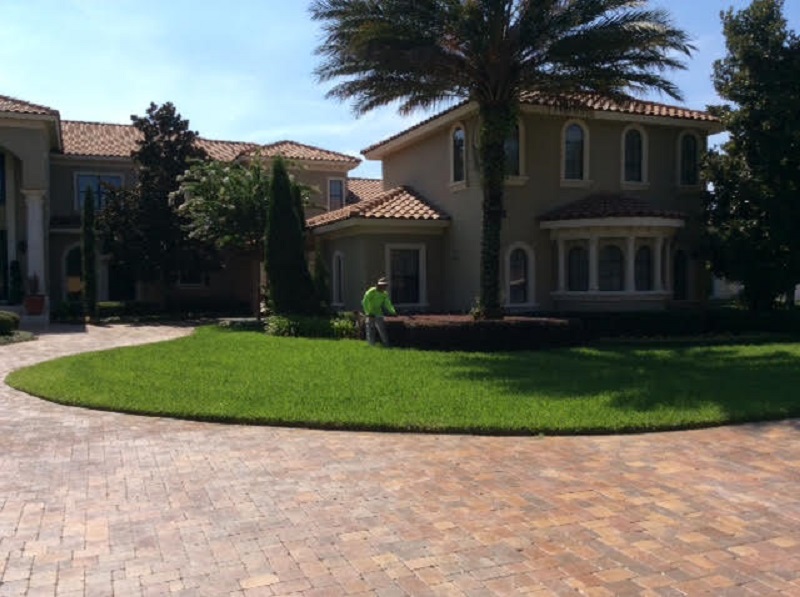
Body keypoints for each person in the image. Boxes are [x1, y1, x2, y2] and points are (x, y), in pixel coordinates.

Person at [361, 277, 396, 346]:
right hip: (370, 313)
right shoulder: (371, 291)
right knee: (370, 329)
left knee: (382, 329)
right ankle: (371, 344)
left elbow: (387, 304)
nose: (383, 287)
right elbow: (365, 301)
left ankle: (386, 344)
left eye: (385, 285)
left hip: (378, 313)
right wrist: (368, 312)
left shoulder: (384, 294)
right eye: (382, 285)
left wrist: (393, 312)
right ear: (378, 285)